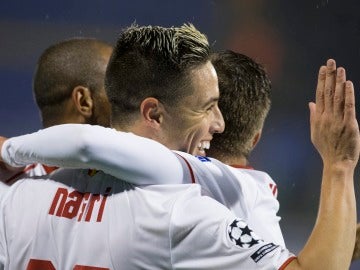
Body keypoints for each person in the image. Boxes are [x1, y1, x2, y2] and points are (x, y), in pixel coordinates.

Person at [0, 22, 358, 268]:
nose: (218, 124)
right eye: (207, 107)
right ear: (153, 114)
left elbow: (85, 144)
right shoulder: (181, 213)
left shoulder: (18, 196)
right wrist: (339, 165)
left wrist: (9, 151)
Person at [0, 37, 113, 185]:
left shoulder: (141, 179)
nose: (131, 99)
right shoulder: (8, 187)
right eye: (118, 89)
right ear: (84, 101)